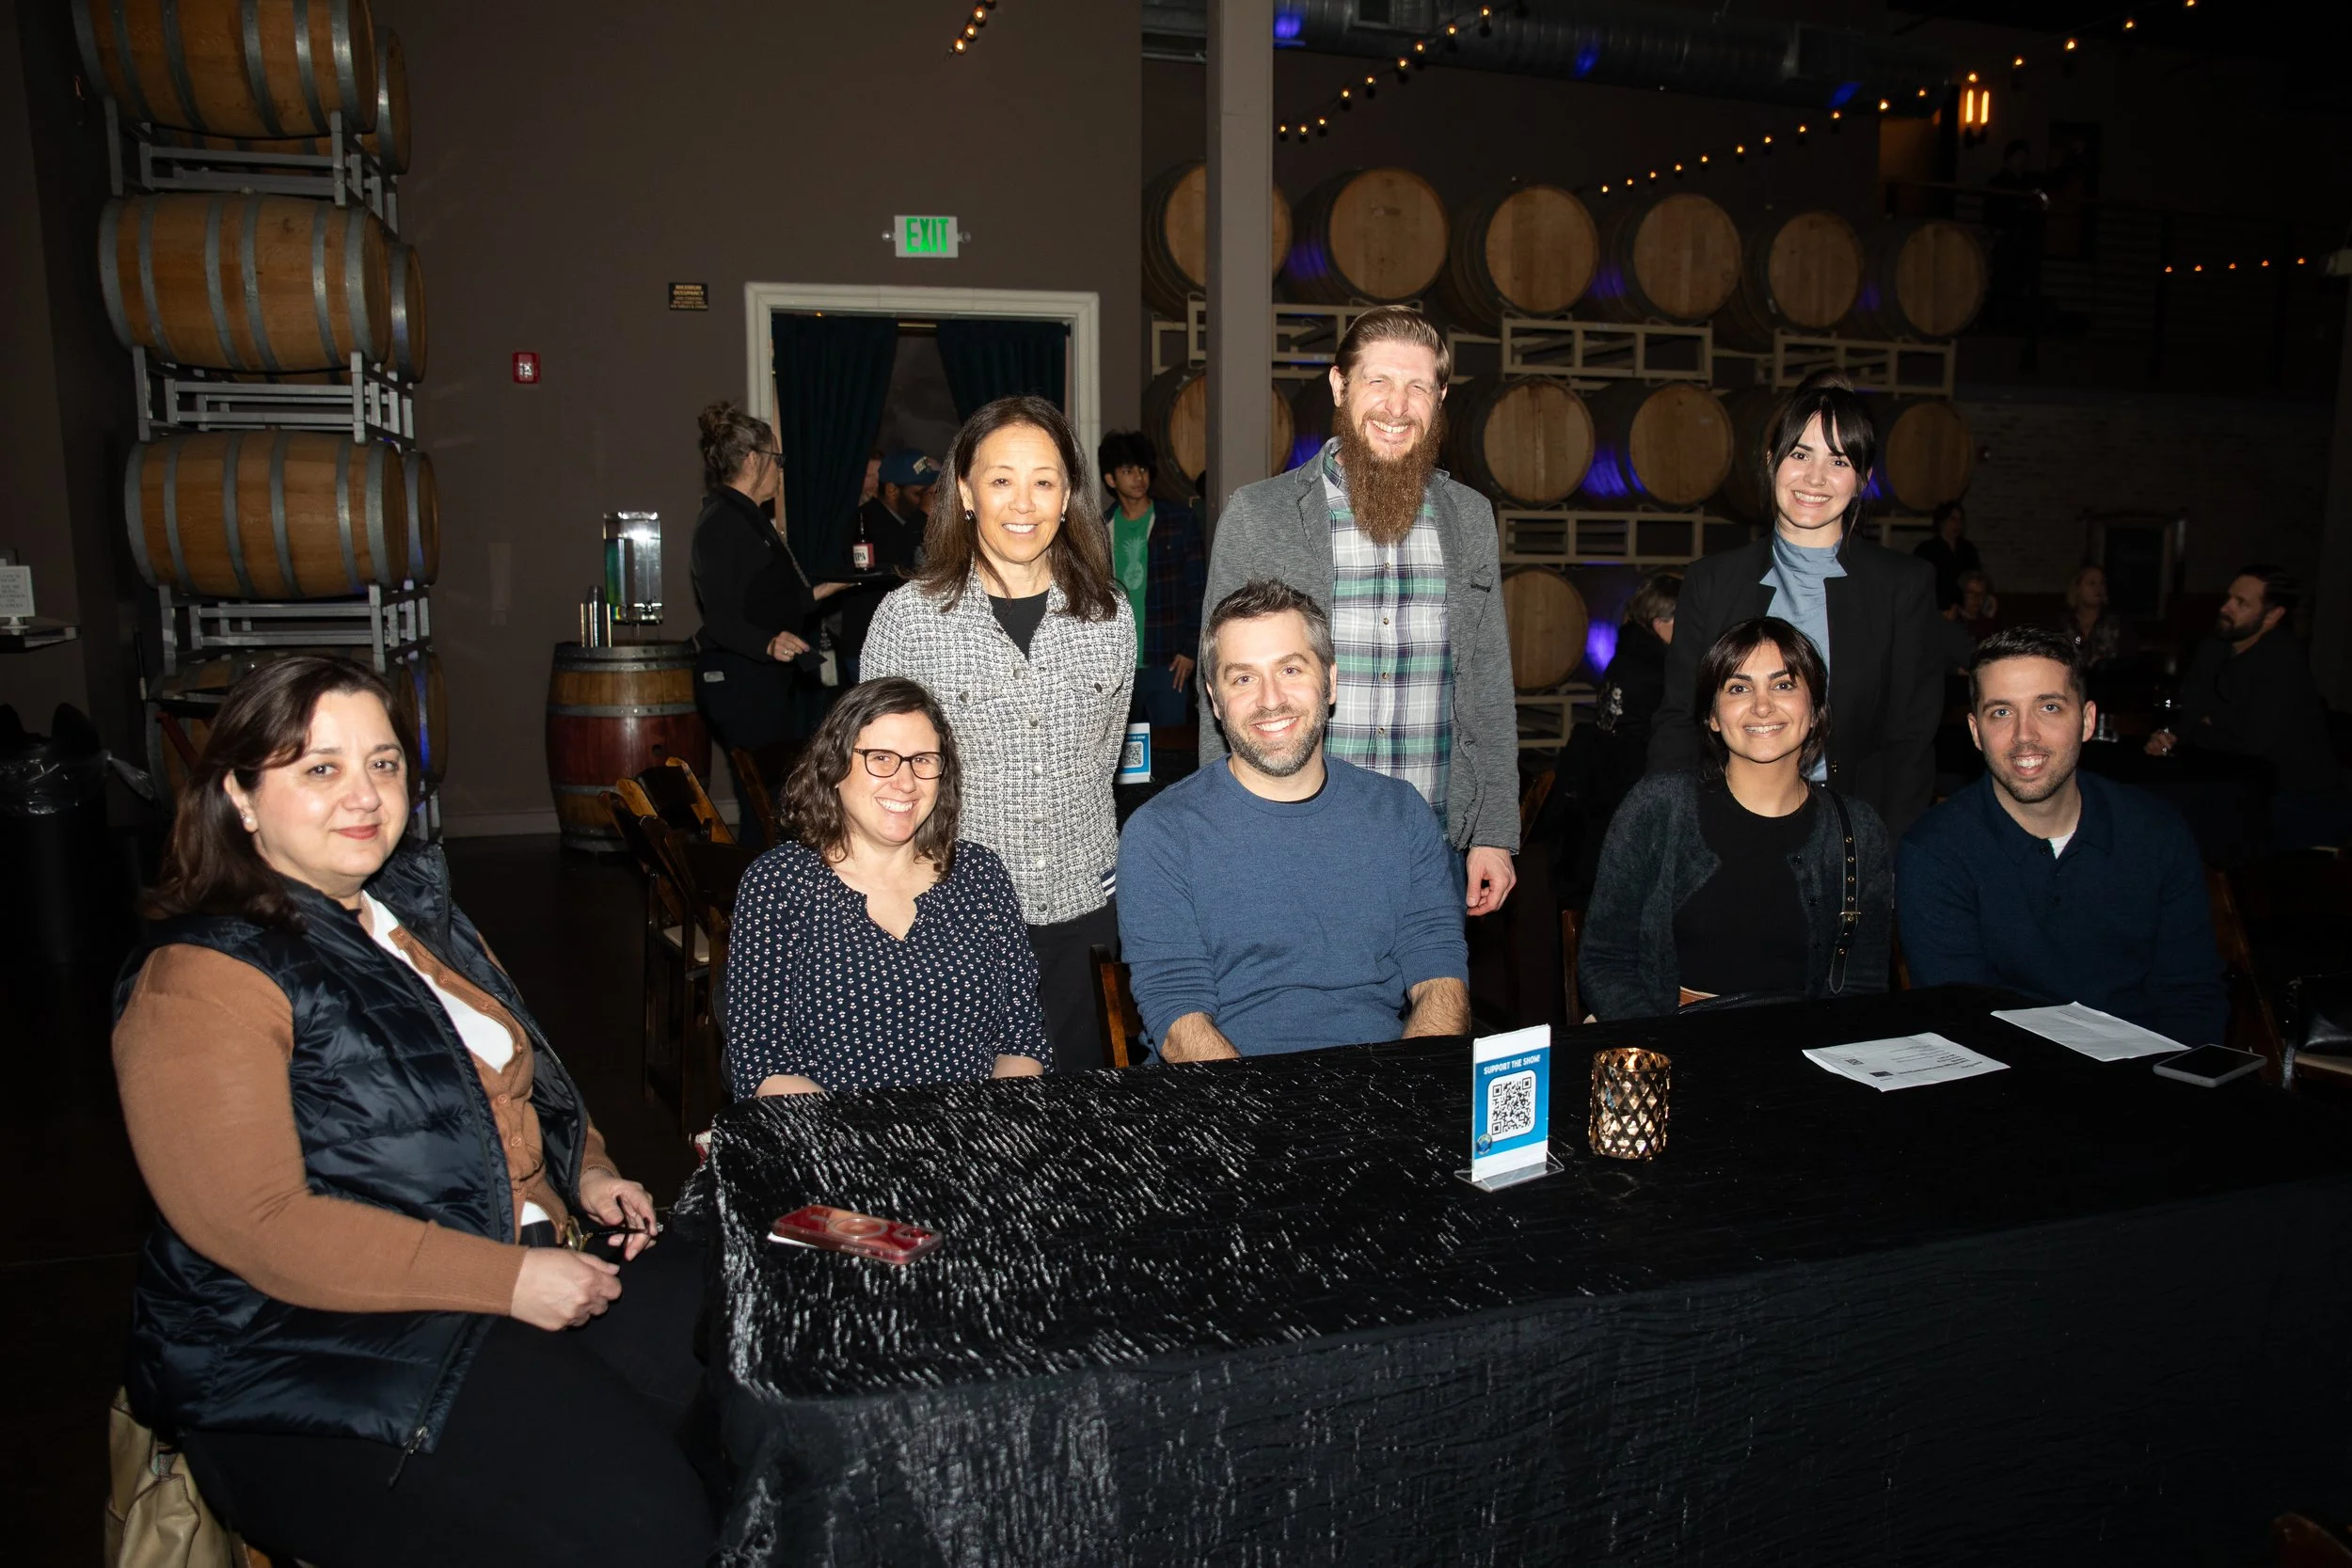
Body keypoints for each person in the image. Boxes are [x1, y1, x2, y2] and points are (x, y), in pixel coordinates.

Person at [111, 657, 710, 1568]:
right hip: (311, 1358)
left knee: (747, 1355)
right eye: (319, 768)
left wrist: (584, 1168)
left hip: (501, 1272)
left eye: (383, 763)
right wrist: (508, 1278)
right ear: (238, 792)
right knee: (651, 1531)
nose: (363, 794)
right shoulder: (203, 976)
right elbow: (256, 1225)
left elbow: (523, 1077)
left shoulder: (406, 915)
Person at [1200, 305, 1520, 917]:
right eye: (1378, 381)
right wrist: (1226, 835)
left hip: (1430, 848)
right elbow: (1220, 688)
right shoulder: (1258, 515)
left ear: (1441, 397)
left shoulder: (1469, 518)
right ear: (1339, 386)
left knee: (1434, 1015)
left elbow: (1487, 684)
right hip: (1292, 843)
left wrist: (1494, 832)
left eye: (1418, 386)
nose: (1397, 407)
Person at [863, 395, 1135, 1074]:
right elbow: (874, 784)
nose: (1023, 503)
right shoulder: (909, 621)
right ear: (965, 490)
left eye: (1044, 481)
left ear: (1069, 494)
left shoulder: (1110, 615)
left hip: (1085, 916)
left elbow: (1104, 762)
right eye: (1001, 479)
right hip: (955, 919)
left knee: (1080, 1124)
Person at [1119, 578, 1470, 1057]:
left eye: (1290, 669)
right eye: (1243, 678)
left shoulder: (1401, 814)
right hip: (1230, 1097)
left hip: (1383, 1086)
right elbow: (1179, 1023)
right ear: (1215, 701)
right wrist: (1271, 1122)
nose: (1270, 699)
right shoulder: (1162, 834)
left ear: (1330, 681)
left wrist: (1401, 1096)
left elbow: (1441, 982)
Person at [1648, 372, 1942, 837]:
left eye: (1839, 461)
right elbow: (1679, 720)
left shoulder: (1902, 586)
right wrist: (1666, 829)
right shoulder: (1711, 580)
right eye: (1800, 454)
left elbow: (1910, 741)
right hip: (1724, 825)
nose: (1815, 478)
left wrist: (1891, 858)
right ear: (1771, 461)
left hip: (1850, 829)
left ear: (1863, 479)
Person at [724, 677, 1049, 1097]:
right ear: (835, 767)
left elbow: (1022, 1040)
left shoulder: (980, 876)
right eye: (881, 758)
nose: (906, 781)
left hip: (974, 1134)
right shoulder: (780, 884)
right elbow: (763, 1063)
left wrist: (987, 1127)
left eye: (922, 760)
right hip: (833, 1141)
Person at [1903, 626, 2227, 1044]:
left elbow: (2192, 998)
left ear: (2088, 721)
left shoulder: (2155, 831)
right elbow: (1959, 1023)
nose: (2025, 735)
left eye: (2050, 707)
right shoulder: (1935, 851)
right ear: (1975, 732)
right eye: (2001, 712)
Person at [1584, 618, 1892, 1020]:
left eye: (1783, 685)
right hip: (1674, 1045)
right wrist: (1662, 1045)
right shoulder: (1658, 808)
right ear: (1712, 716)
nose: (1762, 705)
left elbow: (1863, 984)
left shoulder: (1859, 831)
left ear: (1815, 709)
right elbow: (1605, 961)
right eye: (1739, 688)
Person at [688, 401, 851, 755]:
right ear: (752, 459)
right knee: (765, 793)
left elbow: (764, 599)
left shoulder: (748, 517)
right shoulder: (724, 522)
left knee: (775, 789)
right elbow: (721, 617)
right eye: (777, 460)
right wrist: (767, 643)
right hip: (739, 681)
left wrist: (822, 591)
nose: (780, 470)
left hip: (760, 679)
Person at [2148, 564, 2350, 849]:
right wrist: (2170, 735)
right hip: (2232, 782)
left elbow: (2254, 745)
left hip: (2294, 797)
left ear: (2273, 615)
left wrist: (2202, 728)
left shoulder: (2282, 659)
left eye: (2241, 603)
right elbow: (2190, 712)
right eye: (2229, 597)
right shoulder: (2216, 645)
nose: (2226, 608)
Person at [1098, 429, 1207, 732]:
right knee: (1120, 760)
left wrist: (1190, 650)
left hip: (1167, 661)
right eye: (1128, 470)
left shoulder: (1178, 521)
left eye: (1143, 469)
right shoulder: (1099, 530)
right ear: (1111, 479)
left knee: (1169, 751)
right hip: (1116, 666)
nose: (1138, 477)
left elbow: (1198, 590)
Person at [836, 449, 939, 686]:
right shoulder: (865, 521)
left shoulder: (907, 522)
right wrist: (922, 516)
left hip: (906, 644)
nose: (927, 500)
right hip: (870, 645)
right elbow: (891, 567)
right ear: (893, 490)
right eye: (920, 493)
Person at [1592, 570, 1680, 805]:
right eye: (1682, 620)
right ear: (1659, 624)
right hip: (1633, 784)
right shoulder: (1655, 668)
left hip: (1607, 776)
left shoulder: (1629, 651)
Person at [2057, 562, 2134, 671]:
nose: (2098, 588)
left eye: (2102, 583)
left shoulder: (2118, 623)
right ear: (2077, 588)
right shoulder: (2063, 623)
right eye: (2092, 583)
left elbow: (2129, 661)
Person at [1913, 501, 1982, 613]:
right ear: (1941, 522)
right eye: (1952, 519)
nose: (1957, 524)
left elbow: (1977, 579)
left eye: (1960, 519)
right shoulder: (1926, 550)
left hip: (1964, 611)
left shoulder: (1968, 550)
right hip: (1936, 610)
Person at [1954, 570, 2001, 641]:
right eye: (1971, 593)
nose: (1977, 598)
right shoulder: (1954, 620)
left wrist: (1991, 617)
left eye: (1981, 594)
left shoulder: (1988, 621)